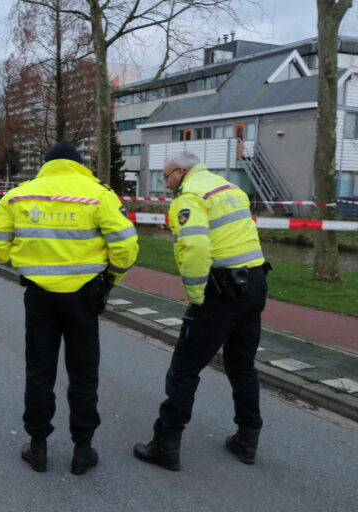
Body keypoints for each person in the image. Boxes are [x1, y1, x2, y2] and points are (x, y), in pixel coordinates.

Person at [0, 141, 139, 475]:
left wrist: (22, 263)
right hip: (84, 295)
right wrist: (110, 276)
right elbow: (126, 246)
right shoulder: (99, 194)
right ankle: (83, 449)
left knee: (40, 371)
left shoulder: (19, 195)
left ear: (46, 164)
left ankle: (38, 446)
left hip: (39, 296)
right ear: (79, 164)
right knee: (84, 373)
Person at [133, 151, 270, 471]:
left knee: (184, 368)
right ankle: (247, 439)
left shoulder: (190, 197)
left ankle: (166, 445)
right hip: (254, 283)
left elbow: (195, 247)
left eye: (165, 177)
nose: (165, 184)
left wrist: (196, 295)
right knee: (242, 366)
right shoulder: (229, 189)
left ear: (180, 172)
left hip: (219, 292)